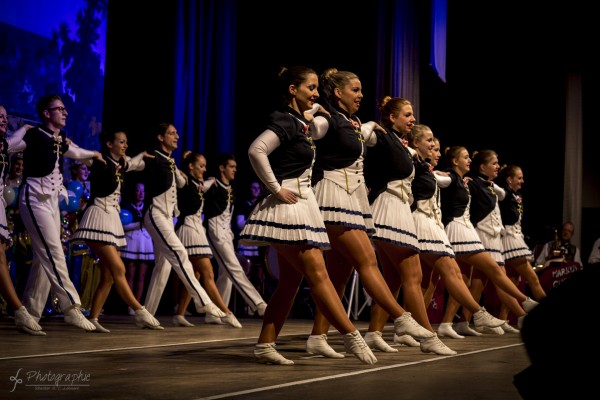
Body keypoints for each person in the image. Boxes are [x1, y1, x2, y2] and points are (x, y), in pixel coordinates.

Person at [240, 65, 376, 365]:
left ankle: (265, 344)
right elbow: (256, 150)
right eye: (310, 88)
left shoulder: (299, 122)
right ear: (293, 90)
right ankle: (351, 336)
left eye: (317, 88)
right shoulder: (284, 120)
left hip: (302, 203)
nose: (316, 93)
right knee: (318, 274)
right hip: (289, 206)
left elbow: (315, 123)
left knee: (290, 282)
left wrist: (314, 113)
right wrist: (275, 189)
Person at [306, 68, 434, 359]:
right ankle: (401, 317)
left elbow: (360, 136)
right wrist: (313, 109)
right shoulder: (329, 117)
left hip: (352, 199)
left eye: (361, 89)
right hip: (332, 195)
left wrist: (368, 128)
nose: (361, 94)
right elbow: (311, 129)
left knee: (339, 273)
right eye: (355, 89)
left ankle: (317, 336)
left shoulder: (351, 122)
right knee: (367, 260)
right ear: (338, 93)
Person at [363, 98, 455, 355]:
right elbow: (362, 137)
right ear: (391, 117)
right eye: (407, 115)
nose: (412, 119)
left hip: (398, 209)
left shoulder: (399, 144)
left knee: (393, 279)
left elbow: (417, 159)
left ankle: (374, 332)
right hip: (388, 207)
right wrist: (370, 124)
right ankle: (428, 337)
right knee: (413, 275)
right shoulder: (381, 137)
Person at [13, 94, 106, 331]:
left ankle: (30, 313)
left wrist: (93, 154)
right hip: (33, 197)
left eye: (65, 109)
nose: (65, 113)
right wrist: (22, 129)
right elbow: (11, 145)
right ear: (46, 113)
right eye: (60, 109)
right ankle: (71, 307)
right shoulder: (33, 135)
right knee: (53, 251)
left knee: (45, 258)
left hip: (52, 201)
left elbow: (74, 151)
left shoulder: (61, 137)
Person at [438, 146, 537, 337]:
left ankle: (456, 321)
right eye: (494, 163)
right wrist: (430, 169)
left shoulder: (479, 184)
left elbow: (501, 194)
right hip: (470, 233)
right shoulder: (468, 181)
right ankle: (522, 306)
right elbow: (444, 182)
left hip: (477, 234)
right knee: (493, 272)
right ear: (481, 167)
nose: (497, 166)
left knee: (470, 281)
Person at [71, 130, 162, 332]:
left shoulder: (120, 164)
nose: (125, 145)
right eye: (121, 142)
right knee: (120, 269)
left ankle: (93, 318)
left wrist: (142, 156)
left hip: (112, 220)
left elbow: (132, 163)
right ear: (109, 144)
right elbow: (76, 153)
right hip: (98, 218)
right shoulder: (99, 161)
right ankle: (140, 310)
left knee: (110, 276)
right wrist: (73, 144)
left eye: (126, 142)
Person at [142, 123, 225, 320]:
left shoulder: (171, 164)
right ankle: (203, 301)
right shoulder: (153, 157)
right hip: (155, 213)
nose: (176, 136)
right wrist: (129, 161)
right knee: (180, 254)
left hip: (168, 217)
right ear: (161, 138)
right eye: (171, 133)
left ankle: (147, 314)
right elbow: (135, 163)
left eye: (177, 133)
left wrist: (181, 174)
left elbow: (182, 182)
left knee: (163, 267)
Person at [172, 151, 241, 328]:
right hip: (188, 229)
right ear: (191, 167)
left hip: (197, 230)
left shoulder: (200, 183)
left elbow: (209, 182)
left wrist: (210, 179)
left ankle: (180, 313)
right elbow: (178, 176)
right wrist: (180, 164)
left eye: (204, 166)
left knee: (195, 274)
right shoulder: (185, 180)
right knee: (208, 273)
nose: (204, 169)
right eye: (201, 166)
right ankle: (225, 312)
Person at [203, 153, 267, 321]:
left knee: (226, 274)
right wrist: (207, 181)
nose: (235, 170)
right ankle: (258, 304)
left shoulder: (230, 188)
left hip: (226, 233)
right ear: (222, 168)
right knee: (234, 268)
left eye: (235, 167)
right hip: (214, 230)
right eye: (231, 166)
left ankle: (216, 313)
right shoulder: (214, 184)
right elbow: (199, 187)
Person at [0, 104, 44, 335]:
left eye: (5, 117)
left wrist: (25, 128)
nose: (3, 120)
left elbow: (13, 140)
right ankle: (19, 311)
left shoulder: (4, 143)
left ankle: (19, 310)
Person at [496, 164, 547, 329]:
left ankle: (504, 319)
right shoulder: (504, 193)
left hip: (516, 238)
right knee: (532, 278)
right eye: (519, 177)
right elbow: (492, 186)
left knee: (510, 281)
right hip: (510, 240)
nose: (522, 181)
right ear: (509, 179)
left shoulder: (515, 195)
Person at [120, 181, 154, 316]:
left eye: (143, 191)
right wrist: (137, 224)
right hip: (132, 241)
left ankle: (138, 304)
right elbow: (122, 224)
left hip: (145, 243)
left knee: (142, 276)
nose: (141, 194)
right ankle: (130, 303)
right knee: (130, 274)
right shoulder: (126, 207)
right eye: (138, 191)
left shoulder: (148, 208)